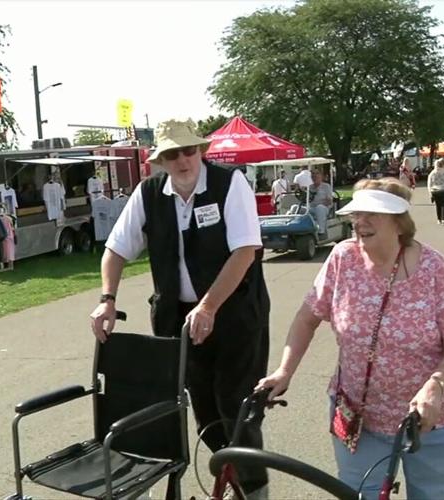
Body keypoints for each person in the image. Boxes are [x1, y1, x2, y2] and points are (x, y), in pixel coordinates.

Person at [257, 177, 444, 500]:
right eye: (356, 214)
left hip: (435, 418)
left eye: (372, 214)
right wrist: (284, 371)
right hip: (360, 415)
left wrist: (436, 387)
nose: (360, 222)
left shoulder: (432, 268)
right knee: (359, 494)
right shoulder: (343, 258)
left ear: (399, 223)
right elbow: (307, 318)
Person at [89, 119, 270, 498]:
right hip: (181, 322)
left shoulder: (229, 183)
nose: (183, 160)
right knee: (204, 412)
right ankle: (231, 478)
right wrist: (107, 300)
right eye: (172, 154)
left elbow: (245, 252)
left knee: (236, 410)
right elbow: (116, 249)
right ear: (161, 160)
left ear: (200, 151)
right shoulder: (149, 193)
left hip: (236, 317)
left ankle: (255, 490)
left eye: (189, 151)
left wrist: (208, 306)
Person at [308, 170, 334, 236]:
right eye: (313, 177)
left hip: (324, 208)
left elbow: (329, 201)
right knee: (295, 207)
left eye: (316, 176)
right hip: (311, 208)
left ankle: (321, 231)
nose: (314, 178)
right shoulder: (310, 187)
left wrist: (319, 203)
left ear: (321, 177)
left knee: (319, 208)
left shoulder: (326, 186)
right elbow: (307, 200)